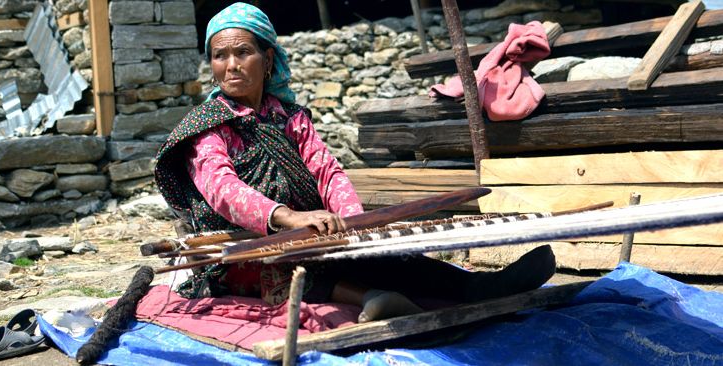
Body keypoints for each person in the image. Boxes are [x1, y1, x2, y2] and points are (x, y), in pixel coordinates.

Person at [155, 2, 556, 323]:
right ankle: (376, 299)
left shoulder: (289, 118)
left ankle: (481, 288)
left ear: (268, 57)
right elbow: (223, 189)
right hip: (243, 248)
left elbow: (326, 170)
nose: (231, 65)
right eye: (219, 55)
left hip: (307, 234)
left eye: (243, 52)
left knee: (382, 257)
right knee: (288, 268)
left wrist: (353, 225)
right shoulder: (208, 128)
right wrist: (289, 218)